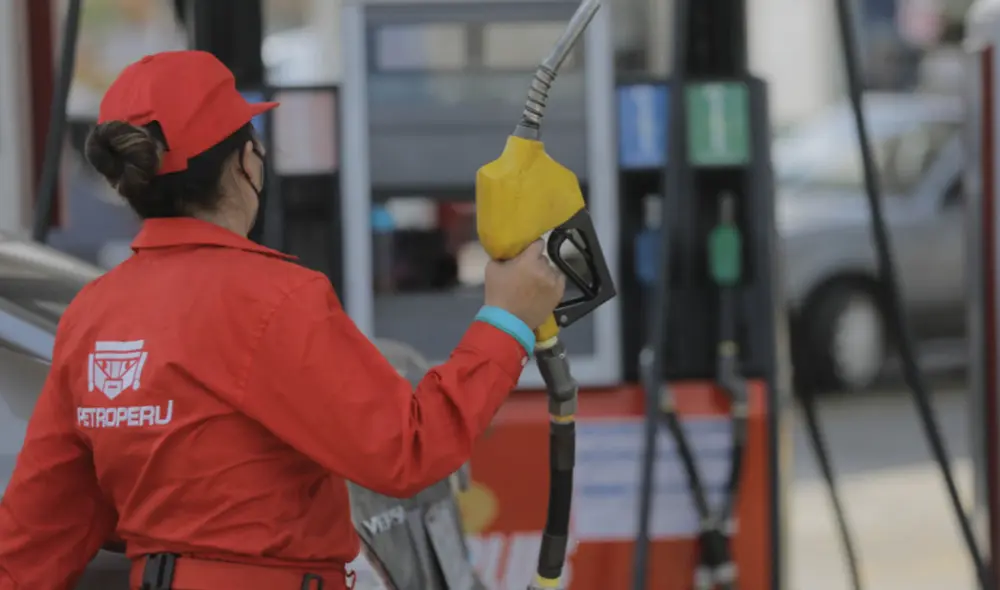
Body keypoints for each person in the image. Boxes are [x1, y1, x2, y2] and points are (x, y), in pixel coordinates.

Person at [0, 50, 565, 590]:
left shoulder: (91, 316)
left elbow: (33, 540)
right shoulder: (273, 299)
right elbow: (409, 449)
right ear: (247, 162)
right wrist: (507, 320)